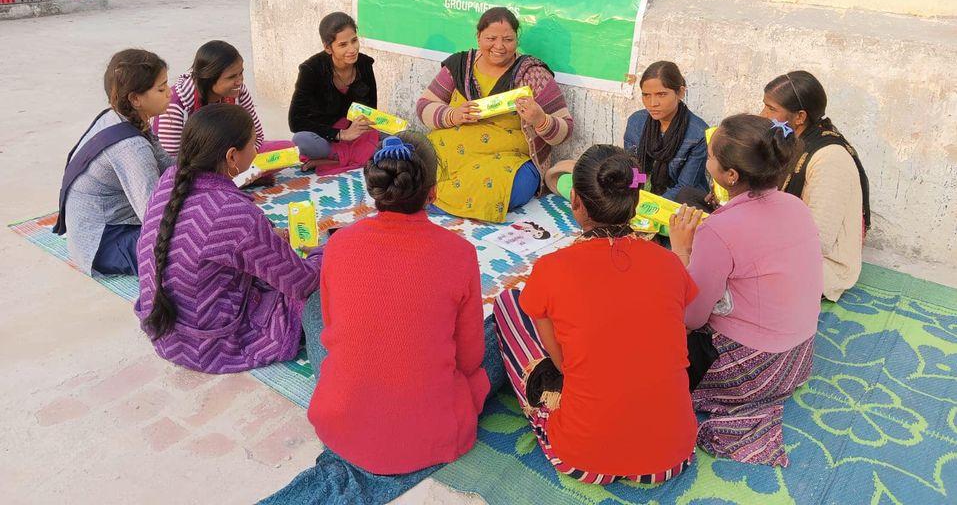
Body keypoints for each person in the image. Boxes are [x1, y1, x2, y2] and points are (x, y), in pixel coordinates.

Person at [493, 145, 698, 485]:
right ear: (636, 201)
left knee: (509, 303)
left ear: (574, 200)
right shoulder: (670, 264)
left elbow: (561, 364)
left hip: (583, 458)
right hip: (671, 456)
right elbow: (678, 325)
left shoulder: (551, 268)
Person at [305, 134, 503, 474]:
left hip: (339, 423)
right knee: (501, 329)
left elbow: (332, 326)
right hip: (433, 433)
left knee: (314, 308)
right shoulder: (460, 253)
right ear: (433, 193)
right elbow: (469, 360)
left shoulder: (338, 244)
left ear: (375, 187)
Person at [669, 114, 823, 467]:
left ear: (731, 175)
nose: (706, 160)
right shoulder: (796, 205)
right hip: (797, 361)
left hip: (751, 373)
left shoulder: (718, 230)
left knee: (646, 326)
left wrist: (681, 251)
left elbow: (691, 318)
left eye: (710, 156)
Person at [135, 104, 321, 373]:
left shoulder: (170, 179)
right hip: (214, 345)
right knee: (327, 284)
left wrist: (267, 238)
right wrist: (324, 252)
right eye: (253, 144)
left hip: (166, 334)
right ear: (232, 156)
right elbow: (303, 282)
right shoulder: (234, 213)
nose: (258, 150)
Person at [416, 7, 573, 222]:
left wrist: (541, 120)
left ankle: (427, 198)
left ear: (517, 39)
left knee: (507, 186)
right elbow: (424, 105)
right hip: (450, 150)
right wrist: (452, 114)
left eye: (508, 39)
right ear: (478, 36)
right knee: (411, 160)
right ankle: (438, 198)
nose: (499, 47)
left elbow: (565, 129)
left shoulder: (533, 74)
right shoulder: (460, 66)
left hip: (505, 160)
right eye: (491, 38)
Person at [55, 49, 173, 276]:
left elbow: (166, 163)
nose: (170, 92)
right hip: (101, 242)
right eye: (161, 88)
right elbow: (154, 218)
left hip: (96, 227)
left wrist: (203, 170)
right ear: (135, 99)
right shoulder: (132, 147)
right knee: (190, 249)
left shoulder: (119, 117)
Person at [762, 70, 870, 301]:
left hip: (823, 266)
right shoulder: (792, 141)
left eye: (771, 109)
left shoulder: (830, 158)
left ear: (800, 117)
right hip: (786, 241)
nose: (763, 115)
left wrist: (758, 235)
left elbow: (818, 240)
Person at [287, 12, 378, 174]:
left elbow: (371, 109)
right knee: (301, 140)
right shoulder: (311, 70)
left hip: (356, 134)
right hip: (327, 136)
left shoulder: (365, 64)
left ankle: (334, 160)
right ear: (328, 48)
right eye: (343, 45)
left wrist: (359, 127)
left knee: (394, 138)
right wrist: (341, 134)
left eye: (354, 40)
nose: (352, 49)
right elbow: (295, 121)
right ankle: (355, 157)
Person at [153, 40, 266, 157]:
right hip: (193, 164)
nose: (239, 81)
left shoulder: (238, 92)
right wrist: (222, 166)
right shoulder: (175, 105)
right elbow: (171, 159)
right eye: (231, 77)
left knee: (278, 150)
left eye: (241, 73)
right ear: (209, 78)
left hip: (230, 158)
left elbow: (257, 136)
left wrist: (241, 161)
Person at [623, 61, 709, 200]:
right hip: (642, 195)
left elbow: (685, 187)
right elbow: (633, 171)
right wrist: (632, 198)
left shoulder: (698, 134)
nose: (653, 103)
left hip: (680, 201)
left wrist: (649, 204)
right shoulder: (636, 123)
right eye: (646, 95)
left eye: (661, 94)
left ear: (680, 93)